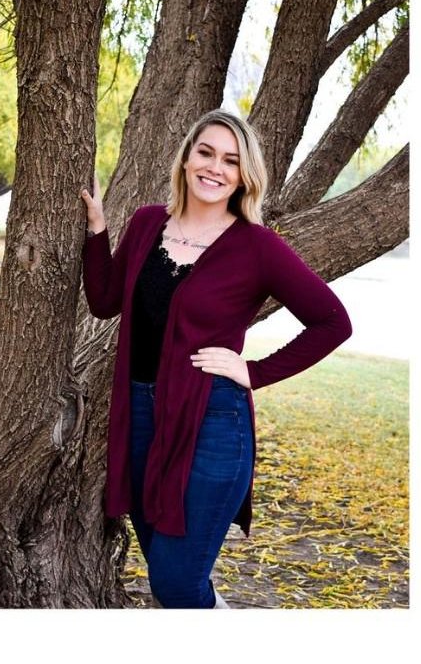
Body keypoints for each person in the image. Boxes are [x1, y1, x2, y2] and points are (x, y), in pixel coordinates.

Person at [80, 109, 351, 608]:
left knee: (175, 584)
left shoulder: (257, 247)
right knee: (171, 571)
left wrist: (254, 371)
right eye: (206, 153)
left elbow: (333, 323)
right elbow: (103, 302)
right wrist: (97, 230)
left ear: (244, 176)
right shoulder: (145, 223)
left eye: (231, 160)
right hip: (139, 417)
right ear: (186, 159)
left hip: (211, 422)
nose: (215, 168)